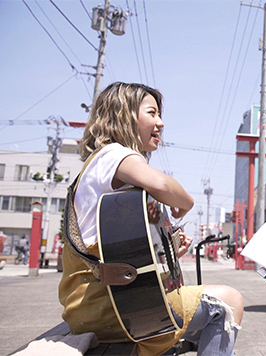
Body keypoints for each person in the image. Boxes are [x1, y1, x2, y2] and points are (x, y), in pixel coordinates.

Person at [58, 82, 243, 356]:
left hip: (94, 307)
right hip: (114, 311)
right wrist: (186, 203)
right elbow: (163, 186)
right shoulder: (114, 153)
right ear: (124, 115)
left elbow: (119, 257)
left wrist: (169, 254)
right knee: (230, 302)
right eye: (152, 113)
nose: (161, 123)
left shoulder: (102, 172)